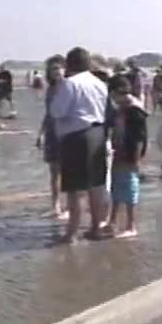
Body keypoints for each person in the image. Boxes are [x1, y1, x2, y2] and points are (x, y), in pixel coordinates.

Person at [50, 47, 109, 244]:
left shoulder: (70, 84)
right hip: (98, 133)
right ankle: (95, 227)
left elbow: (57, 111)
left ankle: (72, 233)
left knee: (74, 188)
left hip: (77, 136)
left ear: (69, 64)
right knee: (96, 185)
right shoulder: (99, 83)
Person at [105, 76, 148, 238]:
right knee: (117, 186)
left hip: (129, 155)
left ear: (119, 93)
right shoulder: (122, 108)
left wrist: (136, 160)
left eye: (113, 96)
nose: (113, 100)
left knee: (130, 188)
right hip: (119, 152)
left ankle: (131, 226)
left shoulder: (134, 110)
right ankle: (113, 221)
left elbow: (139, 137)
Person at [37, 55, 68, 220]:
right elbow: (48, 114)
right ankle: (55, 205)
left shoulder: (70, 87)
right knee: (54, 172)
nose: (56, 71)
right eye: (52, 69)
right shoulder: (50, 89)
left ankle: (69, 207)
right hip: (51, 133)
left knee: (68, 172)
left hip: (67, 133)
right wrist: (40, 134)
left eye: (58, 68)